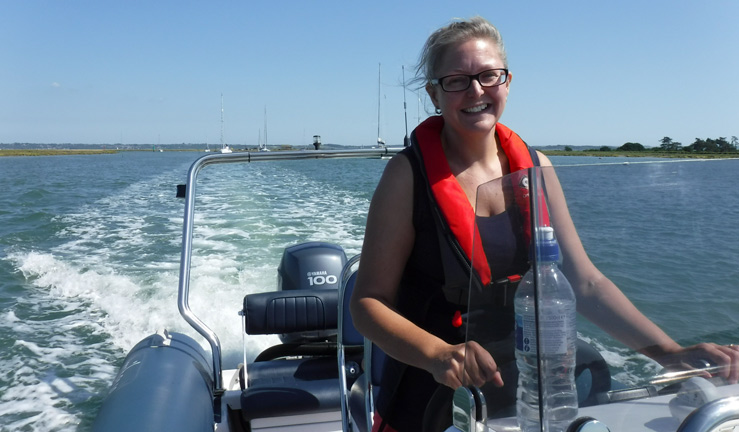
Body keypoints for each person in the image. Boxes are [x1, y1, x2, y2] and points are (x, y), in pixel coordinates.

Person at [350, 16, 739, 432]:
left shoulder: (537, 170)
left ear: (508, 81)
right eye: (457, 81)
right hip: (433, 393)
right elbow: (368, 303)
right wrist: (437, 353)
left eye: (488, 75)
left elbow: (584, 282)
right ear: (434, 93)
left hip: (529, 390)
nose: (476, 90)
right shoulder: (405, 176)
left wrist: (670, 354)